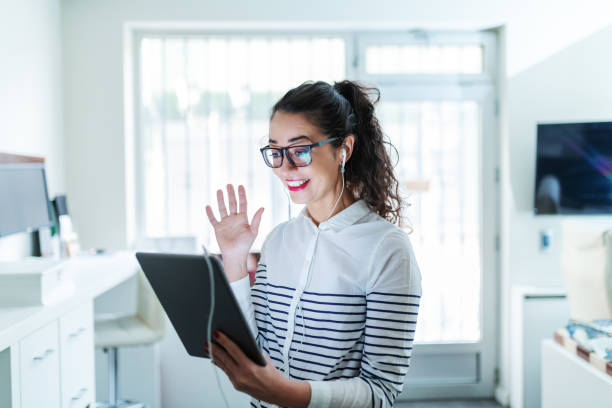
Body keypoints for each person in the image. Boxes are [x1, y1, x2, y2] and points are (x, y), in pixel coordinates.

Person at [205, 80, 422, 408]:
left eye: (300, 150)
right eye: (275, 152)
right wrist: (235, 259)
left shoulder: (388, 249)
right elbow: (256, 350)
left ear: (344, 149)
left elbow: (381, 391)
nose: (285, 167)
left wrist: (288, 395)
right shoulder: (279, 240)